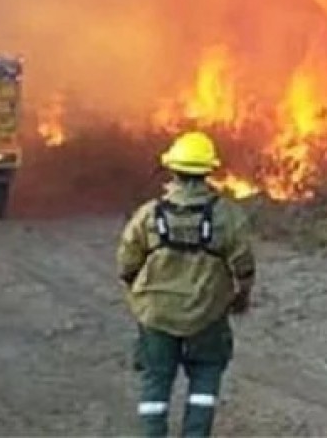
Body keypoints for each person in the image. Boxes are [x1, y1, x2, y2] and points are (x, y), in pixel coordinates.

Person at [117, 130, 256, 438]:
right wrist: (241, 296)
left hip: (156, 315)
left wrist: (137, 291)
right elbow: (244, 265)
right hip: (206, 314)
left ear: (172, 169)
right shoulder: (227, 216)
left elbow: (126, 263)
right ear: (209, 171)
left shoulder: (149, 215)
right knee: (205, 377)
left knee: (156, 380)